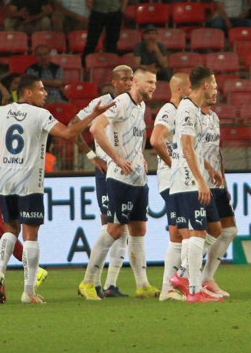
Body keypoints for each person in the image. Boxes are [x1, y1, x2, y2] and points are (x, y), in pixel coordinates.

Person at [0, 75, 115, 304]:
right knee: (30, 234)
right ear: (27, 93)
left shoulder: (1, 112)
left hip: (5, 181)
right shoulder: (41, 115)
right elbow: (68, 133)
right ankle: (28, 292)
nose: (45, 93)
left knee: (10, 229)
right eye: (41, 90)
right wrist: (93, 115)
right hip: (29, 181)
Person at [78, 68, 159, 301]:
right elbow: (95, 128)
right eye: (150, 82)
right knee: (114, 229)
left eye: (155, 82)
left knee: (138, 229)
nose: (154, 87)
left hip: (137, 178)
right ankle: (88, 281)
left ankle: (142, 284)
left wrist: (139, 155)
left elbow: (138, 134)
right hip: (119, 178)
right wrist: (116, 158)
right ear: (136, 82)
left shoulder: (141, 106)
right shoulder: (120, 102)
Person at [0, 86, 48, 294]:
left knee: (4, 230)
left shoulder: (4, 120)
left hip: (1, 185)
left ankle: (33, 271)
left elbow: (6, 157)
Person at [70, 65, 133, 298]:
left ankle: (110, 284)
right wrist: (91, 156)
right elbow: (72, 128)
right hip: (108, 171)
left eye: (131, 79)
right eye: (124, 79)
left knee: (122, 226)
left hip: (128, 173)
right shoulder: (100, 103)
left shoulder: (135, 105)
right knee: (110, 224)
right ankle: (92, 282)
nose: (128, 82)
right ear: (113, 82)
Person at [162, 66, 222, 303]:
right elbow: (186, 147)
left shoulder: (196, 109)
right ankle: (194, 290)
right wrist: (200, 181)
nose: (217, 89)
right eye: (215, 85)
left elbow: (194, 148)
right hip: (187, 182)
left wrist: (208, 170)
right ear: (205, 85)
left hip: (198, 178)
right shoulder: (186, 108)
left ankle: (184, 274)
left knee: (215, 229)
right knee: (197, 232)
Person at [150, 72, 191, 301]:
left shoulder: (182, 112)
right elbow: (156, 140)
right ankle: (183, 282)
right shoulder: (169, 110)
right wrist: (173, 164)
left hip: (175, 179)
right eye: (190, 88)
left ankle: (168, 288)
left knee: (178, 232)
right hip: (171, 180)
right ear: (179, 89)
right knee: (186, 232)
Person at [199, 83, 237, 298]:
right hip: (200, 182)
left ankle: (206, 278)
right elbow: (191, 149)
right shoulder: (192, 115)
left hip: (217, 183)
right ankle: (186, 275)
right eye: (211, 88)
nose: (215, 91)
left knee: (230, 230)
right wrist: (209, 170)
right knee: (204, 233)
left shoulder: (214, 117)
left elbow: (217, 150)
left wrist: (223, 180)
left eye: (216, 88)